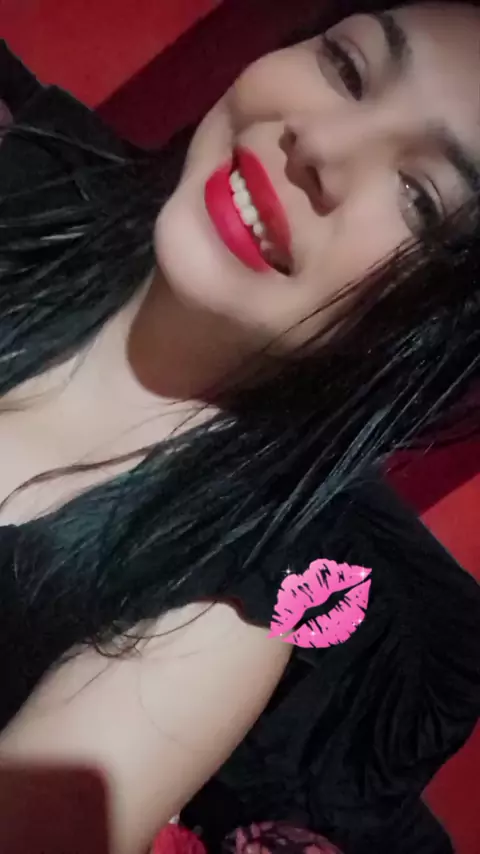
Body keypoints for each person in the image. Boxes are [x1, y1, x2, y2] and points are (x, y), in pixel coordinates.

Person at [0, 2, 478, 853]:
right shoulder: (30, 179)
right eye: (347, 67)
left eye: (419, 197)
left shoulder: (213, 626)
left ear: (427, 327)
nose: (321, 145)